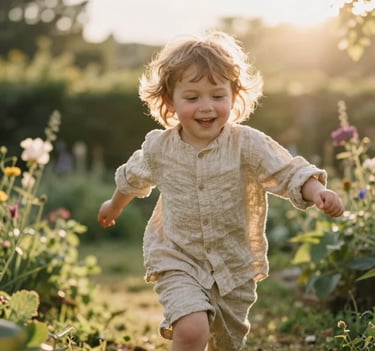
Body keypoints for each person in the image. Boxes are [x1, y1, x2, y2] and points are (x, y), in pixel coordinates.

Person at [97, 31, 344, 351]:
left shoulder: (247, 144)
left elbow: (286, 171)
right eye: (192, 97)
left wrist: (315, 189)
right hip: (177, 258)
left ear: (234, 95)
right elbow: (132, 177)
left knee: (225, 342)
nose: (206, 107)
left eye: (217, 95)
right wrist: (114, 206)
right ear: (171, 101)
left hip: (233, 266)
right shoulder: (159, 148)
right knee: (192, 328)